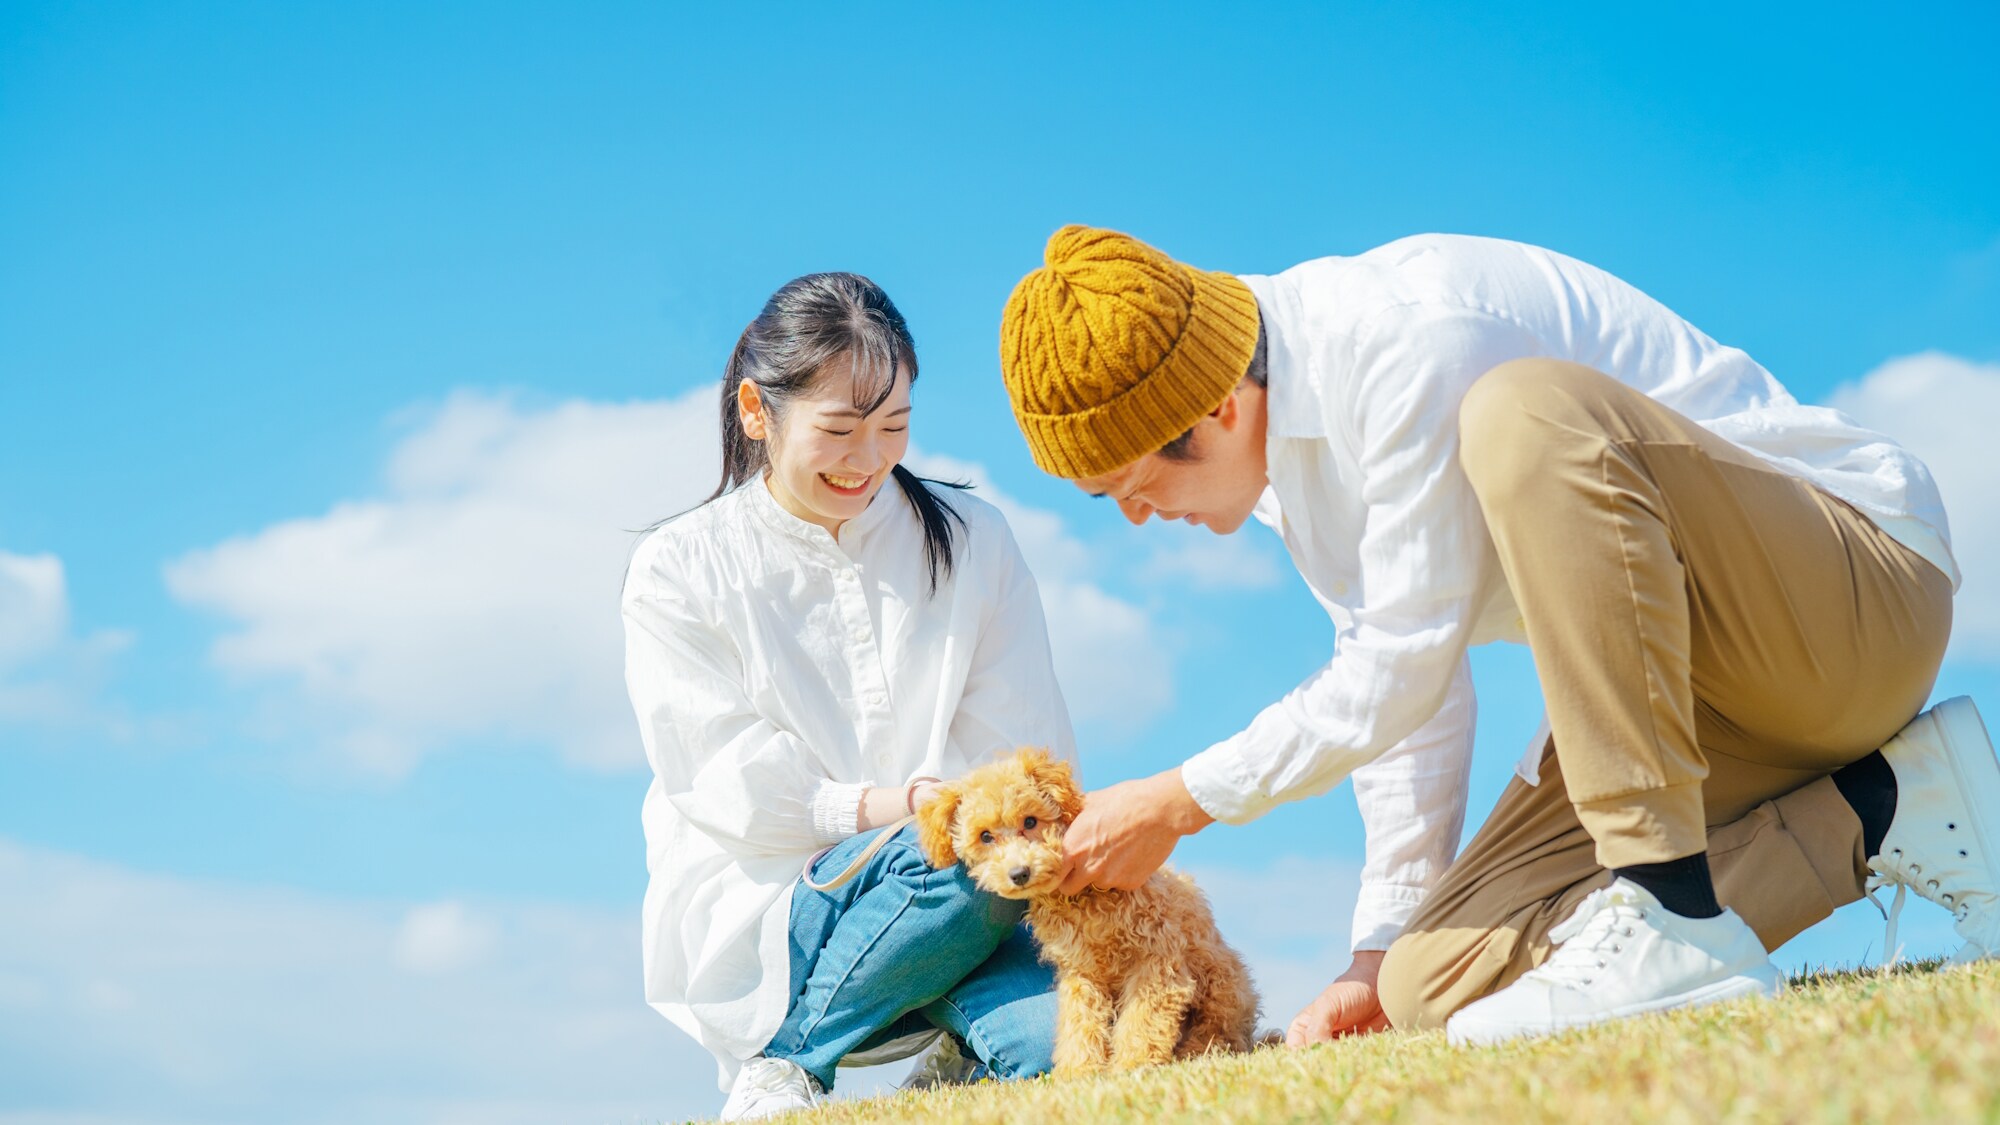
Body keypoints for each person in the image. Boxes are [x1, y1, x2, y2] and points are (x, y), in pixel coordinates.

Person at [994, 225, 2000, 1046]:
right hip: (1691, 699)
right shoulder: (1281, 462)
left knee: (1526, 417)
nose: (1133, 518)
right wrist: (1376, 951)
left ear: (1214, 405)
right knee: (1437, 985)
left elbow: (1398, 663)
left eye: (1131, 487)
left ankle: (1672, 914)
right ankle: (1884, 808)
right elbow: (1401, 695)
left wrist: (1179, 801)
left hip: (1847, 605)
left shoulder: (1403, 337)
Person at [624, 272, 1073, 1119]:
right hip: (784, 911)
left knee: (1056, 1045)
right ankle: (790, 1062)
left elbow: (1022, 754)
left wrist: (940, 819)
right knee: (945, 849)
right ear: (757, 413)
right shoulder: (679, 567)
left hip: (969, 901)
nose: (868, 460)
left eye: (894, 427)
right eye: (838, 430)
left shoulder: (975, 540)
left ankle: (947, 1055)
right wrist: (882, 806)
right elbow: (722, 775)